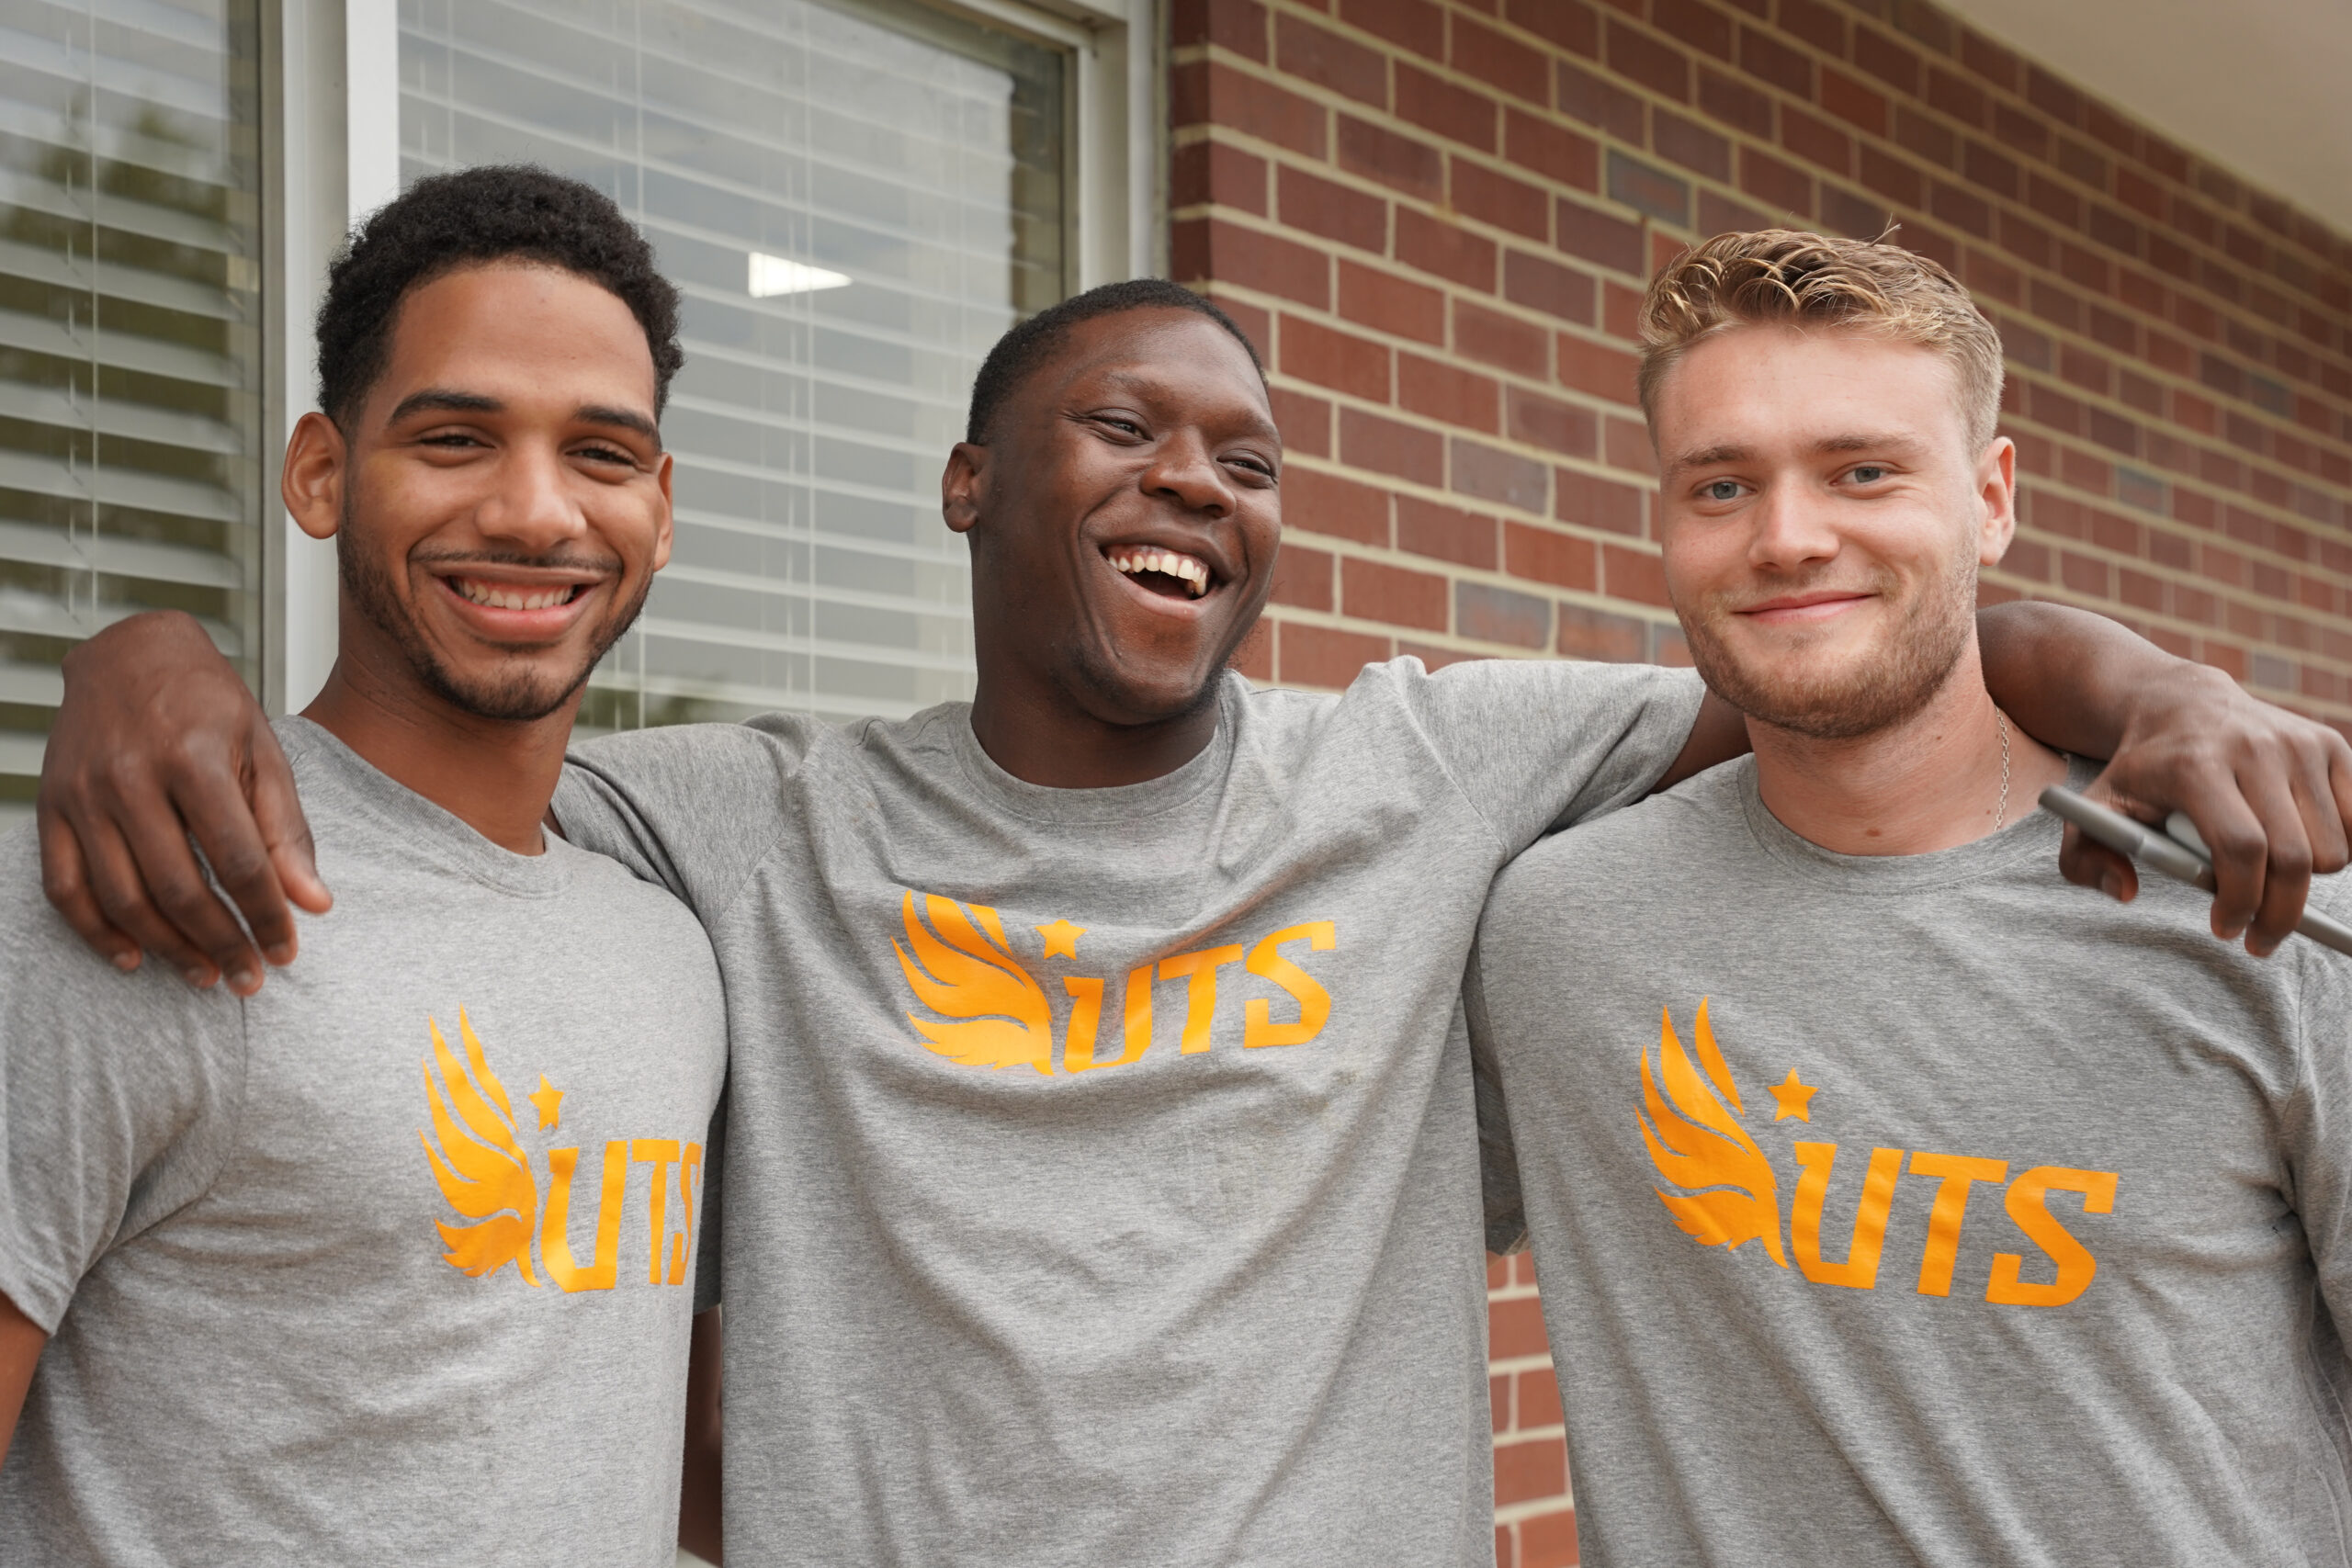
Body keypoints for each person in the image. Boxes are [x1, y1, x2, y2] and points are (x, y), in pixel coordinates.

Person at [34, 263, 2352, 1562]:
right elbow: (433, 773)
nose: (1193, 482)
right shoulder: (738, 824)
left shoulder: (1426, 770)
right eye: (1120, 428)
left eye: (1245, 459)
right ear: (965, 484)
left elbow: (1834, 647)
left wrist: (2142, 672)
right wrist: (144, 657)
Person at [1468, 230, 2352, 1564]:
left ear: (1990, 499)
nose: (1786, 537)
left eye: (1862, 471)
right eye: (1719, 486)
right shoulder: (1555, 930)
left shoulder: (2266, 910)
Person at [0, 168, 727, 1565]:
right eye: (455, 438)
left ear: (662, 505)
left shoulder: (671, 947)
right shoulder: (142, 884)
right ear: (321, 473)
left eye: (601, 453)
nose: (535, 513)